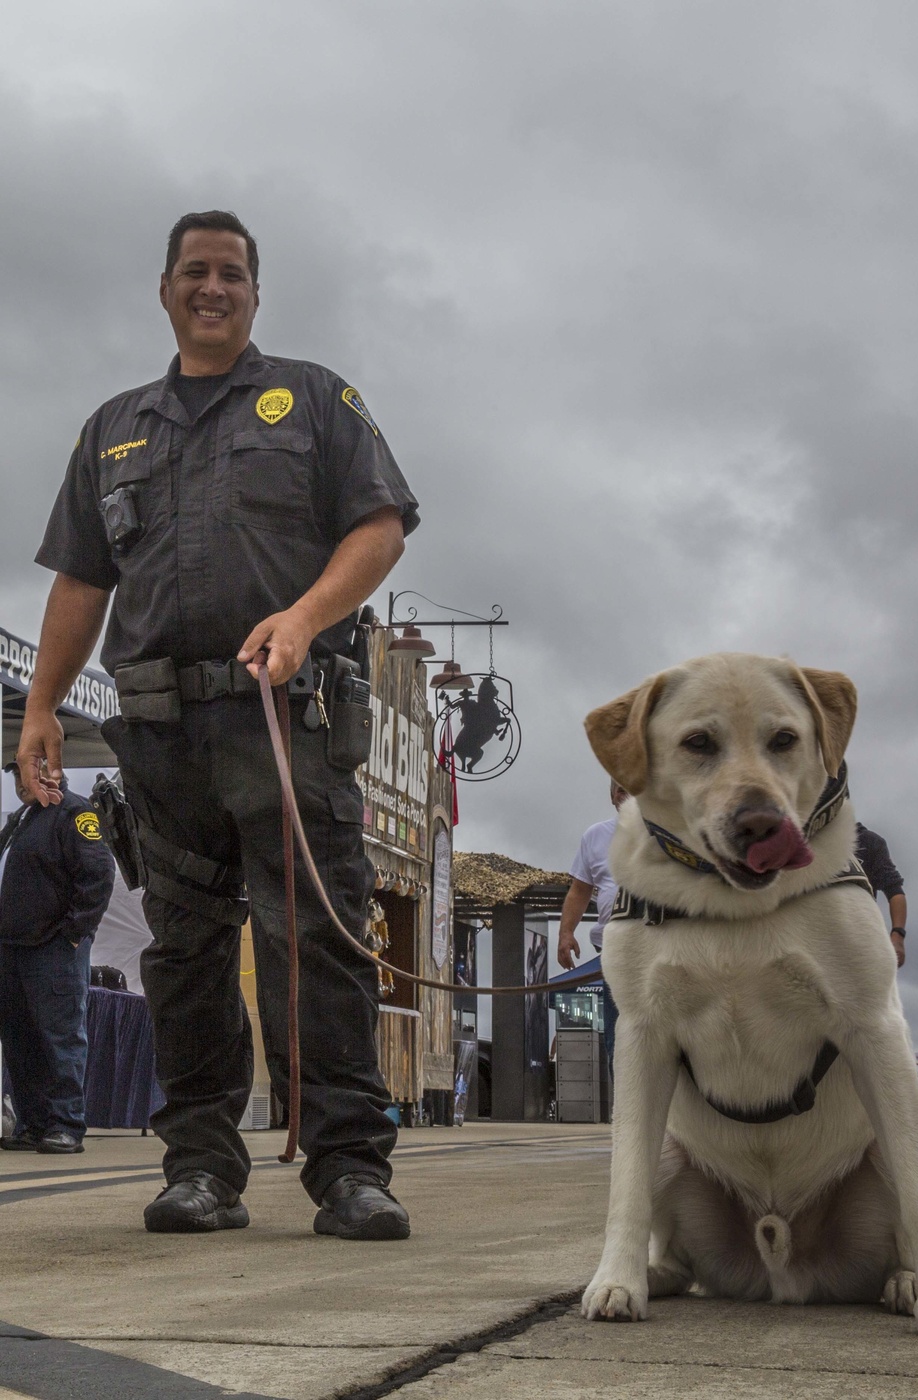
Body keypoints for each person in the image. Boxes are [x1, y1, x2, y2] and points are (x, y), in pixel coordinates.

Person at [19, 211, 418, 1239]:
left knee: (316, 943)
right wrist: (41, 708)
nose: (212, 286)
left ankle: (348, 1169)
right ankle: (199, 1165)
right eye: (194, 271)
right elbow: (81, 579)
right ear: (164, 289)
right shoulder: (114, 428)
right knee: (185, 954)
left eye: (231, 272)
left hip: (287, 717)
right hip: (159, 733)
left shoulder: (317, 400)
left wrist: (304, 615)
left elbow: (379, 528)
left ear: (253, 292)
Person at [0, 763, 115, 1152]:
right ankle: (32, 1125)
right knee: (20, 1042)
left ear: (53, 771)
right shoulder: (24, 818)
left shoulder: (77, 813)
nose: (19, 784)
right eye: (15, 777)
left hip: (53, 950)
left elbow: (99, 874)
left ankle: (66, 1124)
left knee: (60, 1039)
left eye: (27, 773)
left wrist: (73, 934)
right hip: (13, 949)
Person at [557, 781, 628, 1068]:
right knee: (617, 1035)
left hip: (662, 943)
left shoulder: (672, 831)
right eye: (621, 789)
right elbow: (579, 890)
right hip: (614, 949)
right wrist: (565, 933)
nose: (628, 795)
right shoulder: (595, 836)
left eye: (634, 787)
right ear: (612, 796)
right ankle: (622, 1111)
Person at [854, 822, 907, 968]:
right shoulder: (806, 840)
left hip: (858, 940)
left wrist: (898, 936)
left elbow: (894, 890)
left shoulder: (869, 841)